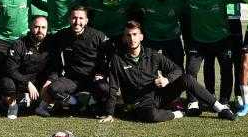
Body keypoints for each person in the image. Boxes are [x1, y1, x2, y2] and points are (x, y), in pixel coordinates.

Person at [100, 21, 235, 123]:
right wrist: (109, 113)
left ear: (141, 37)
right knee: (151, 116)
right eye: (128, 35)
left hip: (159, 96)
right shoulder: (117, 59)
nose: (131, 39)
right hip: (138, 102)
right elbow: (113, 87)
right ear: (124, 38)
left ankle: (220, 108)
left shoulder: (153, 55)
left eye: (135, 34)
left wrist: (167, 80)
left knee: (186, 78)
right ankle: (180, 113)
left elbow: (177, 70)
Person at [175, 0, 241, 116]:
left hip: (222, 40)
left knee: (226, 70)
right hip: (198, 41)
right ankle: (192, 101)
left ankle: (224, 102)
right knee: (191, 71)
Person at [35, 6, 109, 116]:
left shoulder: (98, 36)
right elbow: (45, 41)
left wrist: (102, 73)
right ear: (69, 19)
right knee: (54, 88)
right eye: (74, 18)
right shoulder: (62, 35)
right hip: (72, 79)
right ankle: (75, 103)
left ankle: (91, 103)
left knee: (105, 89)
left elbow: (108, 58)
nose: (77, 22)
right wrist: (51, 78)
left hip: (92, 79)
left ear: (86, 20)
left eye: (81, 18)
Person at [0, 16, 51, 119]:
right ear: (30, 27)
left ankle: (42, 106)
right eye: (36, 27)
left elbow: (54, 67)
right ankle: (13, 106)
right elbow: (11, 69)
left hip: (37, 80)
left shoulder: (50, 44)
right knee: (7, 84)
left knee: (55, 84)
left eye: (43, 27)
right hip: (19, 79)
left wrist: (49, 81)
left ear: (47, 29)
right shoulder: (19, 44)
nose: (40, 30)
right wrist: (27, 82)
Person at [130, 0, 188, 67]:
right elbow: (132, 9)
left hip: (172, 38)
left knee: (177, 69)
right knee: (145, 68)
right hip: (150, 38)